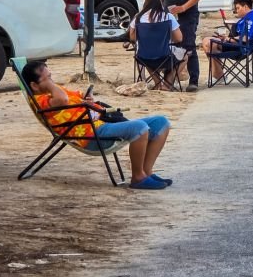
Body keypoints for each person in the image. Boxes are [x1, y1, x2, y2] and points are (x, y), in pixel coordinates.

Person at [22, 61, 172, 190]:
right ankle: (138, 178)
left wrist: (88, 100)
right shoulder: (40, 100)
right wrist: (51, 85)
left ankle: (146, 172)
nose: (51, 81)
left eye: (51, 76)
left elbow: (76, 96)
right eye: (47, 79)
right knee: (139, 127)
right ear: (34, 85)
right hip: (91, 136)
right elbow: (62, 100)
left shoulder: (54, 92)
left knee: (161, 122)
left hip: (100, 124)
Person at [164, 0, 204, 91]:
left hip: (187, 16)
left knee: (188, 46)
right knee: (171, 47)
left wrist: (183, 7)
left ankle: (193, 80)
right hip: (170, 17)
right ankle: (170, 78)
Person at [128, 0, 183, 91]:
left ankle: (158, 83)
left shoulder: (138, 18)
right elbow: (179, 38)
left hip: (144, 57)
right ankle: (167, 83)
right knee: (186, 56)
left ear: (145, 3)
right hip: (165, 55)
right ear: (159, 2)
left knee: (147, 56)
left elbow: (132, 38)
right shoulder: (168, 16)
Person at [201, 0, 253, 82]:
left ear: (245, 7)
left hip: (243, 48)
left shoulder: (251, 19)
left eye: (238, 8)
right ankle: (219, 75)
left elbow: (246, 38)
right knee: (207, 42)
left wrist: (227, 39)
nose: (236, 11)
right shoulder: (246, 18)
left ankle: (218, 76)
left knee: (210, 43)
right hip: (237, 44)